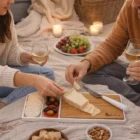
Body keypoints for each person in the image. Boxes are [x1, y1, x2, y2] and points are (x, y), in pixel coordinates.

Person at [65, 0, 140, 106]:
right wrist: (86, 63)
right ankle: (136, 98)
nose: (133, 4)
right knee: (89, 71)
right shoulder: (131, 5)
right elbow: (112, 46)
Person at [0, 0, 64, 108]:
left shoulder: (6, 14)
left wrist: (28, 57)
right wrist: (34, 80)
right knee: (39, 80)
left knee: (47, 74)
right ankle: (4, 104)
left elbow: (11, 50)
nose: (12, 1)